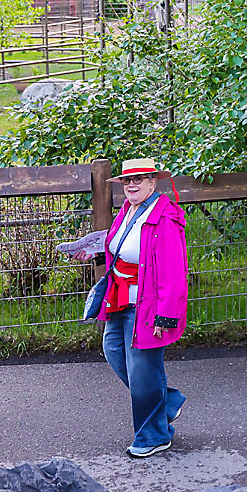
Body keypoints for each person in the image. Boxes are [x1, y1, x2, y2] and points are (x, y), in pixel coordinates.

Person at [97, 158, 189, 458]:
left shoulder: (165, 218)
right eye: (127, 180)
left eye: (140, 179)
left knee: (143, 371)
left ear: (154, 182)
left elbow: (174, 271)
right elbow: (122, 248)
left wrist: (166, 314)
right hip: (119, 299)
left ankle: (153, 436)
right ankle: (168, 402)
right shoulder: (128, 209)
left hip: (147, 305)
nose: (132, 184)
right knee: (113, 352)